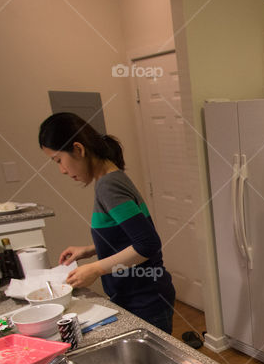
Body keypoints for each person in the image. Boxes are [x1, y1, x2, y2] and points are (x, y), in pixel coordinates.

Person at [39, 112, 176, 333]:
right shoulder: (112, 178)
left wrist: (94, 269)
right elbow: (130, 235)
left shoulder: (108, 186)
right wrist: (91, 250)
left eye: (59, 160)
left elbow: (147, 244)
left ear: (78, 149)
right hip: (144, 296)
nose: (62, 170)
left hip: (144, 300)